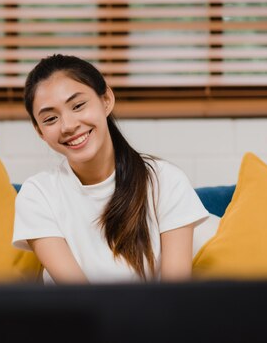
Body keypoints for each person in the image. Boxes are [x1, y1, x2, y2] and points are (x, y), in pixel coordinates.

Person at [12, 54, 211, 284]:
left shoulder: (165, 181)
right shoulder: (37, 195)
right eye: (50, 119)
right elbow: (79, 298)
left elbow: (173, 297)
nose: (68, 126)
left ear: (106, 99)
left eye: (78, 105)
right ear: (39, 131)